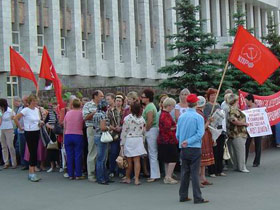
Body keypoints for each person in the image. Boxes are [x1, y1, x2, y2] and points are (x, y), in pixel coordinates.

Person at [177, 94, 208, 204]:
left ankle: (183, 196)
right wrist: (189, 141)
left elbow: (178, 134)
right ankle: (197, 197)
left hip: (184, 148)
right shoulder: (198, 117)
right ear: (196, 104)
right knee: (194, 173)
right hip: (194, 147)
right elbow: (200, 133)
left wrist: (183, 142)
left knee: (185, 172)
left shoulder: (181, 116)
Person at [14, 95, 43, 182]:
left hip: (36, 131)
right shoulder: (26, 110)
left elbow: (38, 120)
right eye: (34, 101)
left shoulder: (37, 110)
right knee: (32, 152)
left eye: (36, 101)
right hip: (29, 132)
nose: (35, 103)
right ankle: (31, 173)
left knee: (35, 152)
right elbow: (15, 118)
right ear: (29, 102)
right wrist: (19, 127)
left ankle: (32, 172)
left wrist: (40, 122)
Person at [120, 102, 147, 185]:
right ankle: (137, 179)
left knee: (129, 160)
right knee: (137, 160)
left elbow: (124, 132)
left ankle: (128, 178)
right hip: (138, 139)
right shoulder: (142, 119)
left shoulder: (127, 118)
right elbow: (144, 132)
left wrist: (122, 144)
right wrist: (143, 141)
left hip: (129, 139)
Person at [204, 88, 226, 177]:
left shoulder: (218, 105)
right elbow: (206, 117)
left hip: (220, 129)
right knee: (213, 151)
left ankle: (219, 169)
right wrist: (210, 118)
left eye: (215, 95)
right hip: (212, 130)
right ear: (209, 96)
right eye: (212, 95)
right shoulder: (207, 106)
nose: (213, 97)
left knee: (220, 151)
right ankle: (212, 170)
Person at [157, 97, 179, 184]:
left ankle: (167, 175)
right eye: (172, 106)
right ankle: (168, 176)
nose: (173, 108)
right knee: (173, 158)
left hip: (163, 140)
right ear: (169, 106)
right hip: (168, 140)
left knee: (167, 160)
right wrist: (176, 127)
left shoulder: (163, 114)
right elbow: (167, 128)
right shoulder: (165, 115)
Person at [82, 91, 102, 182]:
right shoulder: (88, 105)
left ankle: (101, 173)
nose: (102, 98)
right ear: (95, 96)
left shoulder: (103, 105)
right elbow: (85, 117)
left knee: (101, 152)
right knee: (92, 151)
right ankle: (91, 174)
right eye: (101, 96)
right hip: (92, 128)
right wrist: (95, 112)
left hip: (102, 129)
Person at [141, 88, 160, 182]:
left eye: (143, 97)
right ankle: (155, 174)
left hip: (151, 130)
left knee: (152, 153)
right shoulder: (151, 106)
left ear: (147, 98)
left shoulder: (149, 107)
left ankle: (154, 175)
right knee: (152, 153)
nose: (142, 98)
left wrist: (146, 130)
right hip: (153, 130)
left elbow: (150, 120)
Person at [228, 94, 249, 173]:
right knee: (240, 151)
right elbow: (233, 120)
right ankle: (242, 167)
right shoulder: (233, 109)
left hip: (236, 133)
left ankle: (237, 166)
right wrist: (244, 124)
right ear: (235, 101)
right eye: (237, 100)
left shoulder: (233, 109)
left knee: (237, 151)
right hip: (238, 133)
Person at [64, 99, 85, 180]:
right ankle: (78, 174)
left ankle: (70, 174)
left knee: (69, 155)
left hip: (68, 134)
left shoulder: (68, 113)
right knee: (78, 155)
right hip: (78, 134)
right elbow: (83, 124)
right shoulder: (81, 113)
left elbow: (65, 125)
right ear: (80, 105)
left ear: (72, 105)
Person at [196, 96, 215, 186]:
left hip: (205, 137)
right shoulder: (198, 113)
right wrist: (208, 122)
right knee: (200, 160)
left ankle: (203, 177)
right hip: (201, 137)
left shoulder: (200, 112)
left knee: (203, 160)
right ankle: (198, 179)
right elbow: (202, 128)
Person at [93, 99, 111, 185]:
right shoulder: (102, 115)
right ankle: (101, 178)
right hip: (102, 136)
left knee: (100, 158)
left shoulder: (95, 114)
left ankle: (103, 177)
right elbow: (103, 127)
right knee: (102, 158)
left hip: (96, 135)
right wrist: (109, 128)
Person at [107, 93, 124, 178]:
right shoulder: (110, 111)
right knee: (113, 152)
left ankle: (121, 170)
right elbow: (107, 122)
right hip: (113, 134)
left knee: (121, 153)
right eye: (117, 101)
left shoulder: (125, 111)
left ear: (122, 102)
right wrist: (114, 128)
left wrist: (121, 128)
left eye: (120, 101)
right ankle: (112, 170)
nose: (118, 102)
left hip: (122, 134)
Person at [245, 94, 262, 167]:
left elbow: (262, 115)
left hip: (257, 129)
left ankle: (256, 162)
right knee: (246, 145)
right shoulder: (246, 108)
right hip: (249, 129)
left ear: (250, 100)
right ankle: (244, 161)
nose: (245, 102)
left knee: (258, 145)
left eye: (246, 101)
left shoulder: (258, 107)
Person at [0, 98, 17, 169]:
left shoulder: (10, 111)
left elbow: (15, 118)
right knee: (4, 146)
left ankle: (14, 162)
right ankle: (6, 162)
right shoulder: (0, 111)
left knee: (10, 146)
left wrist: (13, 118)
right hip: (1, 129)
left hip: (9, 129)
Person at [45, 102, 60, 173]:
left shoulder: (60, 113)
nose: (55, 108)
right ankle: (52, 166)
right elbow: (46, 122)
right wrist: (50, 126)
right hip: (51, 134)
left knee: (59, 150)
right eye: (53, 107)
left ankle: (59, 165)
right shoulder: (50, 113)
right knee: (50, 150)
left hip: (59, 134)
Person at [16, 96, 29, 170]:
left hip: (29, 130)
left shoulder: (31, 109)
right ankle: (24, 163)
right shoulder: (20, 109)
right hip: (21, 131)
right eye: (24, 101)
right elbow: (17, 118)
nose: (25, 102)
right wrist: (19, 127)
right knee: (22, 148)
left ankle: (30, 163)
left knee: (29, 148)